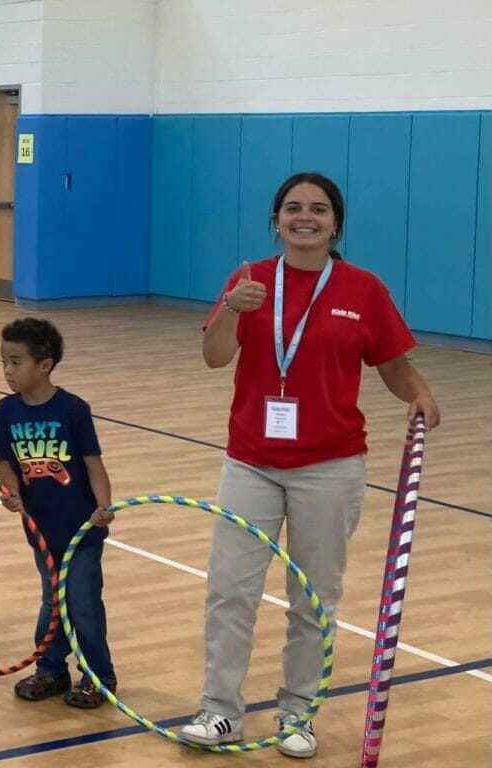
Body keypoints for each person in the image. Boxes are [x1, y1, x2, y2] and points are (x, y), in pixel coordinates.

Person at [183, 172, 440, 758]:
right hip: (251, 462)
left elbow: (393, 364)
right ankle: (220, 710)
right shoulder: (249, 281)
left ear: (335, 224)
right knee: (230, 591)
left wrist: (420, 395)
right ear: (276, 220)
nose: (306, 217)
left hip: (331, 466)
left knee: (314, 600)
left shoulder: (363, 289)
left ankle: (298, 714)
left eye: (319, 209)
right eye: (293, 207)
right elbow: (213, 357)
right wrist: (229, 308)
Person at [0, 317, 117, 708]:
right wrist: (9, 494)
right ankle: (51, 669)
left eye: (16, 362)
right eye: (4, 362)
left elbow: (93, 464)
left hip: (81, 530)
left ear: (44, 365)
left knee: (82, 603)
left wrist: (104, 507)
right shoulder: (5, 411)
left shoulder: (73, 410)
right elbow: (7, 464)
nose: (8, 371)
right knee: (52, 601)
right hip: (41, 529)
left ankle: (98, 677)